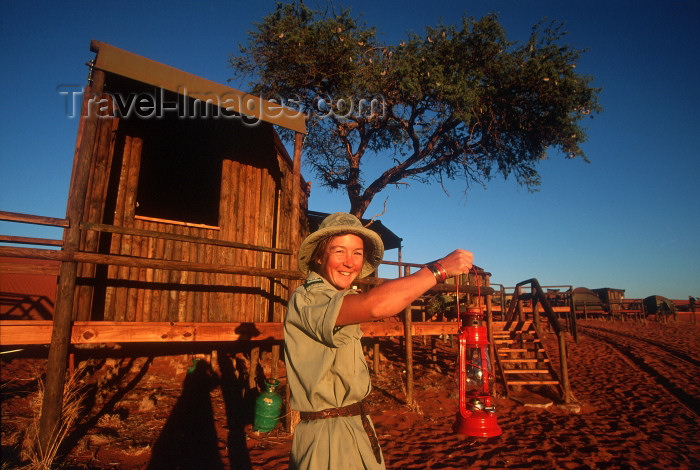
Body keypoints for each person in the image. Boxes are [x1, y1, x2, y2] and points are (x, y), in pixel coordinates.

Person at [284, 212, 474, 469]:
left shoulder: (338, 298)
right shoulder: (309, 298)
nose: (349, 263)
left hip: (357, 426)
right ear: (319, 256)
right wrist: (437, 270)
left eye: (357, 253)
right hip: (327, 437)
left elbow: (384, 298)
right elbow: (377, 306)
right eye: (339, 251)